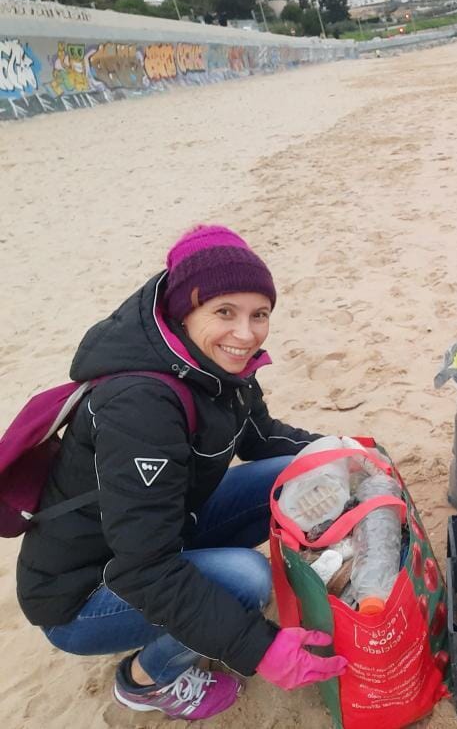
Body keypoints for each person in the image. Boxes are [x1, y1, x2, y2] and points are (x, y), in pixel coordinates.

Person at [15, 225, 348, 721]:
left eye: (260, 315)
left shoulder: (218, 365)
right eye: (224, 312)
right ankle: (147, 682)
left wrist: (336, 450)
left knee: (294, 472)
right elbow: (144, 568)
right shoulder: (139, 403)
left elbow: (259, 438)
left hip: (161, 529)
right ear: (183, 310)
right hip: (85, 592)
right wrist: (258, 649)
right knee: (245, 581)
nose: (246, 333)